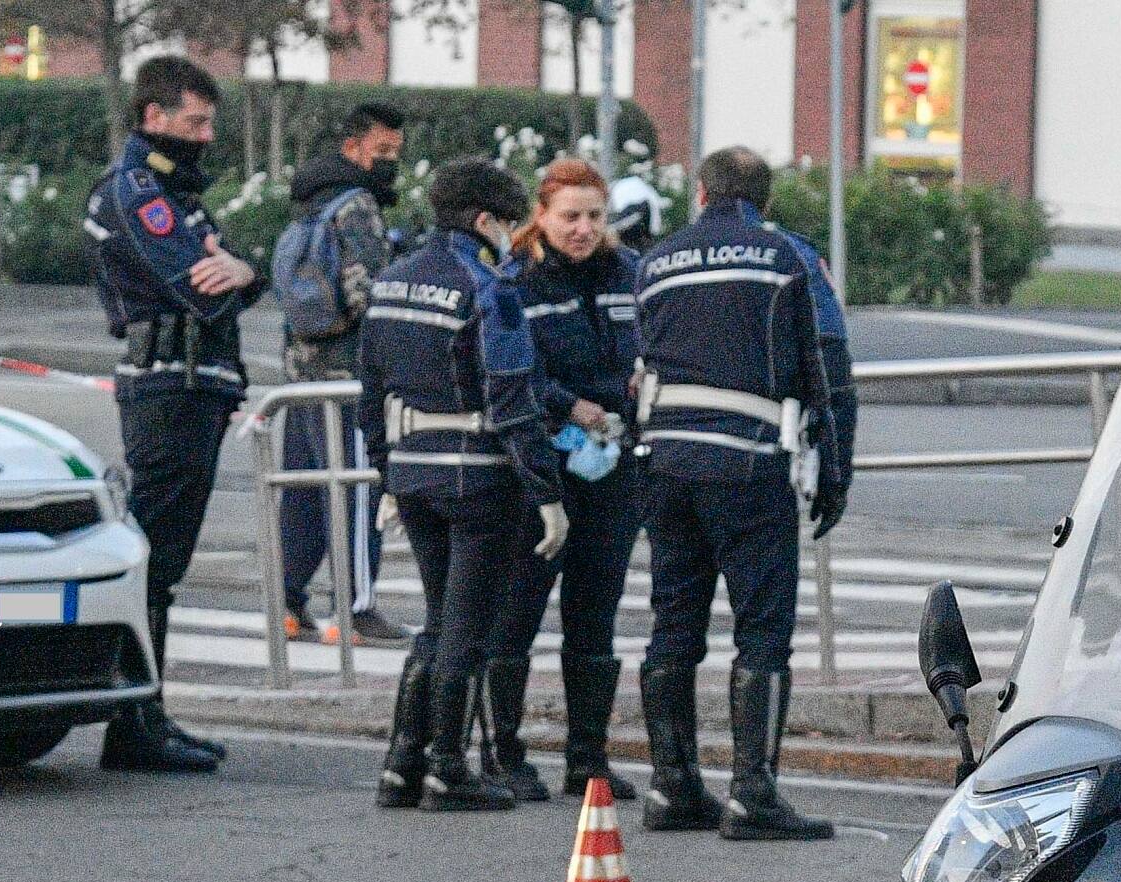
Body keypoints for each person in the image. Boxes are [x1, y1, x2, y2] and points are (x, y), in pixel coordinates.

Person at [632, 146, 855, 840]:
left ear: (700, 194)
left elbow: (637, 360)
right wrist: (836, 469)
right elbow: (827, 363)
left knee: (674, 623)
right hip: (747, 463)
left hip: (664, 463)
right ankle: (753, 794)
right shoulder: (786, 256)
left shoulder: (657, 261)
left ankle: (672, 786)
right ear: (764, 200)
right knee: (762, 630)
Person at [357, 159, 568, 812]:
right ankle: (448, 766)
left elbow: (370, 392)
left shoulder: (391, 282)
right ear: (485, 222)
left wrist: (386, 469)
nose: (513, 238)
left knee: (437, 619)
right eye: (510, 224)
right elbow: (512, 398)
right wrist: (547, 493)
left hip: (412, 471)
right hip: (477, 477)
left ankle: (402, 764)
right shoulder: (491, 289)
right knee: (467, 627)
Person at [83, 55, 266, 773]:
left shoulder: (175, 190)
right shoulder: (135, 195)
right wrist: (239, 276)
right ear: (153, 117)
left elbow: (241, 270)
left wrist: (246, 269)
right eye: (196, 121)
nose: (208, 134)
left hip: (197, 386)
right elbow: (206, 292)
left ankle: (144, 712)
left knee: (167, 560)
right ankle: (133, 722)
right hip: (169, 387)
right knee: (153, 560)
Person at [480, 159, 647, 802]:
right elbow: (510, 369)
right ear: (540, 217)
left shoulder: (627, 273)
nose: (582, 229)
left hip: (613, 463)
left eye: (594, 217)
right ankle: (504, 755)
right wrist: (566, 404)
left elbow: (649, 343)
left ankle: (588, 758)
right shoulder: (517, 277)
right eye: (569, 216)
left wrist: (635, 386)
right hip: (541, 464)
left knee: (594, 615)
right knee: (516, 612)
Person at [272, 101, 414, 649]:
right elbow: (366, 293)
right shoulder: (356, 205)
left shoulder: (311, 202)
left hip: (300, 367)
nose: (389, 164)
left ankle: (288, 603)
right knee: (358, 487)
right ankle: (357, 606)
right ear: (352, 148)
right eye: (382, 152)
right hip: (348, 371)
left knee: (305, 488)